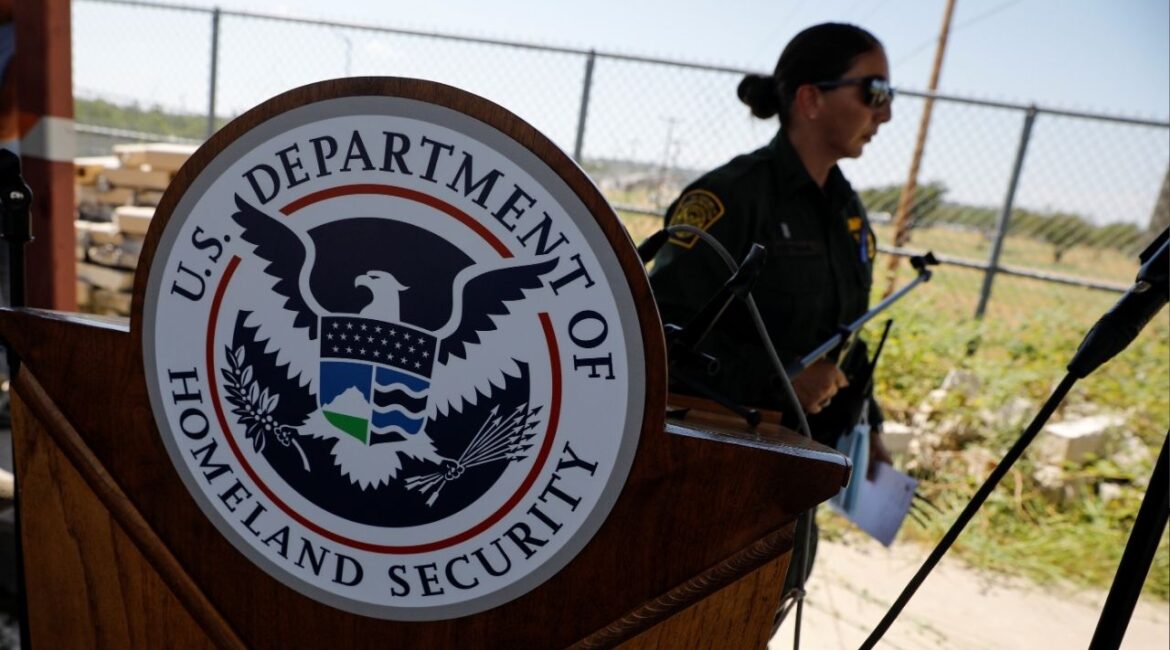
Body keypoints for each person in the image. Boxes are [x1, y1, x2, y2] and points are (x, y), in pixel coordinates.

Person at [647, 21, 894, 609]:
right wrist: (780, 378)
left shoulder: (846, 209)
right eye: (874, 92)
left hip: (797, 473)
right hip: (718, 476)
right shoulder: (732, 197)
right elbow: (660, 336)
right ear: (810, 98)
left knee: (773, 607)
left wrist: (872, 426)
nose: (884, 114)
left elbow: (843, 336)